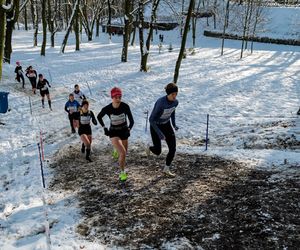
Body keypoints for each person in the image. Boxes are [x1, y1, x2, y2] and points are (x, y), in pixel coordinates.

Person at [97, 87, 134, 181]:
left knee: (124, 153)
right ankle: (122, 172)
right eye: (116, 97)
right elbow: (99, 117)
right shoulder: (107, 108)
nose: (118, 99)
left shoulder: (125, 106)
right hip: (113, 132)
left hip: (124, 131)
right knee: (123, 152)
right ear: (112, 97)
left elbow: (132, 120)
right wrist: (104, 128)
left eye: (120, 97)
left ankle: (115, 149)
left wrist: (129, 128)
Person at [147, 83, 179, 177]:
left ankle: (166, 168)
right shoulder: (160, 103)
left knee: (172, 149)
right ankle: (149, 147)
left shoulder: (175, 102)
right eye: (172, 94)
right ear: (168, 94)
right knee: (157, 151)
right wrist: (160, 133)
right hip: (155, 126)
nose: (174, 96)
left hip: (166, 125)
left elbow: (172, 111)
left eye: (176, 94)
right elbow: (151, 120)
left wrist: (174, 124)